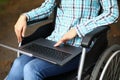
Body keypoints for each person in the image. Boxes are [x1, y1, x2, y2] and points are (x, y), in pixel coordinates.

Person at [6, 0, 119, 80]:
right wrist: (25, 16)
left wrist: (78, 30)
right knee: (19, 63)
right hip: (53, 41)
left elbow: (112, 13)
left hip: (79, 47)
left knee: (31, 69)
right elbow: (47, 7)